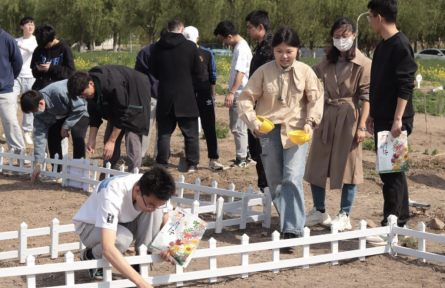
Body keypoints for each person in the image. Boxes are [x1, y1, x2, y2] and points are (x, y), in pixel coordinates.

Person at [238, 26, 324, 239]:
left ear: (297, 50)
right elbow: (245, 98)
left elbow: (316, 99)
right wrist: (252, 122)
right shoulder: (263, 71)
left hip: (296, 131)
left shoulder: (306, 72)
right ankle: (289, 222)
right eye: (279, 51)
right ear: (273, 51)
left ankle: (292, 230)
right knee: (275, 181)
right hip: (268, 132)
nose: (284, 56)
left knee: (293, 176)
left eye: (289, 51)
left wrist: (310, 122)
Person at [304, 17, 372, 232]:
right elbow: (309, 78)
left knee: (349, 166)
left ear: (353, 36)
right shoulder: (326, 61)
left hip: (349, 117)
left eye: (345, 36)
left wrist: (361, 127)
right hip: (326, 115)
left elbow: (367, 98)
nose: (341, 40)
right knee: (317, 163)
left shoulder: (364, 64)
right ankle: (319, 210)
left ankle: (345, 214)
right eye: (337, 36)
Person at [365, 0, 417, 244]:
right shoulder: (382, 46)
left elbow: (406, 84)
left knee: (390, 172)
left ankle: (390, 224)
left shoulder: (400, 44)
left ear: (379, 17)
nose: (369, 21)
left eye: (370, 17)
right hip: (384, 116)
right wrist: (373, 113)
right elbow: (379, 84)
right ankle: (402, 218)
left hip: (396, 119)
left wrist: (398, 118)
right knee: (394, 170)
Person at [72, 166, 176, 286]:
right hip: (91, 227)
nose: (153, 208)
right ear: (138, 191)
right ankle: (90, 255)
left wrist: (169, 249)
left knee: (156, 211)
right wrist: (142, 283)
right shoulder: (112, 194)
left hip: (123, 221)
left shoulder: (157, 191)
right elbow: (108, 248)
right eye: (151, 204)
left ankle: (139, 264)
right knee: (122, 240)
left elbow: (164, 220)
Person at [67, 66, 151, 178]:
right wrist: (92, 139)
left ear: (91, 83)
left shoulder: (112, 84)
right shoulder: (90, 86)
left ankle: (132, 178)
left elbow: (122, 114)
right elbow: (94, 114)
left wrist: (112, 141)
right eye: (81, 96)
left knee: (132, 138)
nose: (83, 97)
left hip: (136, 94)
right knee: (109, 138)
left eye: (83, 93)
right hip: (118, 103)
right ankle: (106, 177)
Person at [150, 18, 205, 172]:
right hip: (186, 95)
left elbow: (153, 71)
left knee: (164, 133)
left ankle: (162, 164)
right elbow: (200, 71)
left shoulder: (157, 47)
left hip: (165, 94)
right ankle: (192, 164)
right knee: (191, 133)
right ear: (182, 30)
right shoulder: (190, 46)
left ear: (168, 30)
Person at [20, 80, 89, 182]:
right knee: (52, 136)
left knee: (77, 134)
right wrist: (38, 163)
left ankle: (79, 173)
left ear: (41, 103)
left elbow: (80, 108)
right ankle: (58, 172)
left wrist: (65, 127)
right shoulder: (38, 113)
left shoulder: (59, 92)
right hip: (61, 116)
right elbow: (39, 136)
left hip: (80, 111)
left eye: (34, 111)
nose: (35, 114)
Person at [31, 23, 76, 155]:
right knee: (41, 130)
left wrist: (52, 68)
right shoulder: (39, 49)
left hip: (59, 97)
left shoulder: (64, 48)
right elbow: (34, 72)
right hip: (42, 95)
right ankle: (42, 161)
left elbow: (71, 73)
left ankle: (61, 165)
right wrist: (38, 69)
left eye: (48, 44)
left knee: (59, 133)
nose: (45, 47)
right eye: (42, 45)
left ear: (54, 37)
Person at [184, 26, 224, 171]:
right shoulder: (181, 53)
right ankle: (192, 162)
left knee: (209, 127)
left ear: (198, 39)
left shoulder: (207, 53)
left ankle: (213, 159)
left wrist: (213, 96)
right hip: (187, 95)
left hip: (204, 94)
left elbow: (212, 75)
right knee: (190, 128)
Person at [214, 20, 252, 168]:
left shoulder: (241, 49)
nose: (222, 42)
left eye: (222, 38)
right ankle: (245, 154)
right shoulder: (240, 47)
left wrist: (231, 92)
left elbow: (241, 72)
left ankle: (241, 159)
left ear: (229, 36)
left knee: (238, 127)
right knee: (239, 126)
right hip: (240, 93)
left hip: (240, 94)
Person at [245, 9, 274, 191]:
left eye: (249, 28)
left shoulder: (271, 50)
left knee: (265, 150)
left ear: (260, 27)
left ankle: (268, 188)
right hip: (256, 106)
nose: (248, 31)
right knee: (257, 150)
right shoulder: (261, 47)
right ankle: (264, 186)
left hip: (266, 108)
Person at [134, 28, 168, 159]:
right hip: (150, 95)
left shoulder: (167, 51)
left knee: (161, 129)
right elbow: (138, 75)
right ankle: (143, 156)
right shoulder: (147, 51)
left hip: (162, 96)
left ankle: (157, 156)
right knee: (147, 127)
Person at [0, 28, 26, 155]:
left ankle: (20, 157)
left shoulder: (7, 39)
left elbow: (18, 62)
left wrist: (8, 79)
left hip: (4, 90)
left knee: (10, 123)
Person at [14, 16, 38, 145]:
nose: (31, 26)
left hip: (30, 76)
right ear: (22, 26)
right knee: (11, 102)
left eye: (33, 24)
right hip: (16, 77)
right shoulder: (16, 41)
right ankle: (12, 129)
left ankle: (27, 132)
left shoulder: (35, 41)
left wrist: (19, 45)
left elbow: (32, 50)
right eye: (28, 24)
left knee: (29, 104)